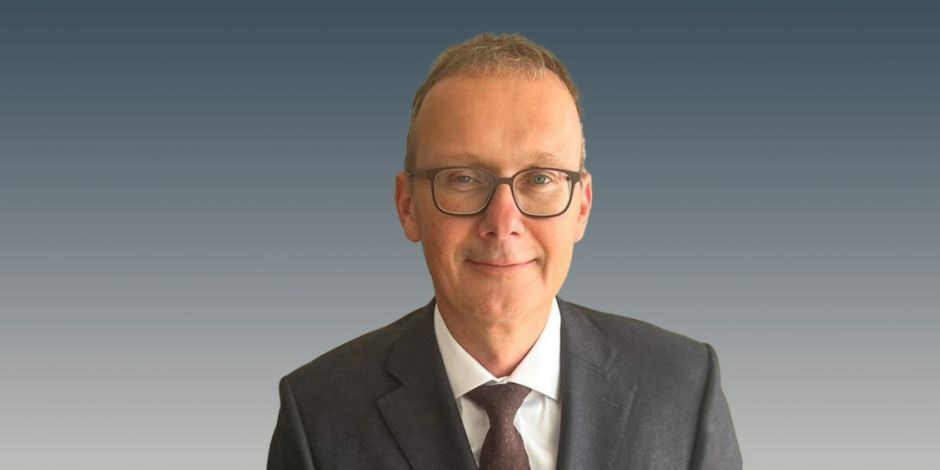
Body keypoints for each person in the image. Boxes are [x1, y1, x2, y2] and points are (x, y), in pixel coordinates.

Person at [267, 33, 742, 470]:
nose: (502, 223)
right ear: (407, 206)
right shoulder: (319, 413)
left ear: (581, 207)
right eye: (463, 178)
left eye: (540, 178)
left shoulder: (683, 388)